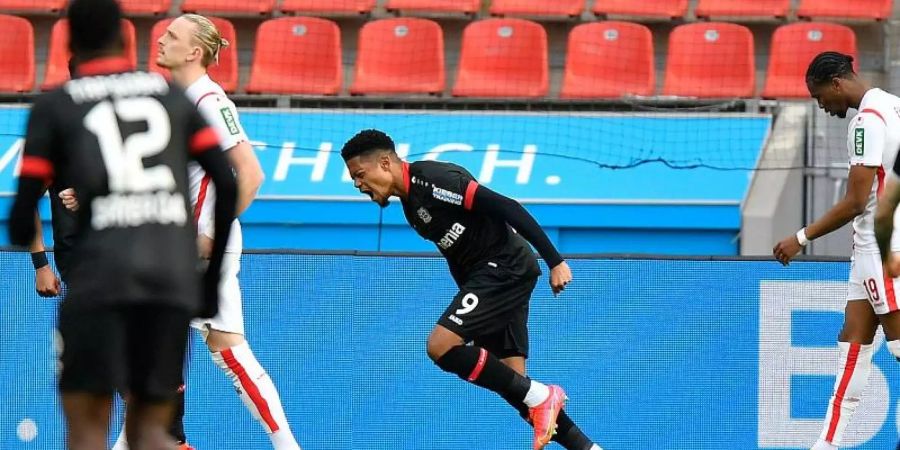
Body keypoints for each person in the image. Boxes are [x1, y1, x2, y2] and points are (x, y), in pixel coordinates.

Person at [7, 0, 236, 448]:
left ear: (71, 41)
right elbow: (227, 181)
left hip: (97, 281)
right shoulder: (170, 97)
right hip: (166, 284)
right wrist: (207, 283)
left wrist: (66, 221)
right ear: (127, 40)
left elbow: (19, 217)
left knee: (88, 428)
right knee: (152, 429)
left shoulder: (55, 109)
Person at [340, 129, 604, 450]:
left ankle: (544, 394)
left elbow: (507, 206)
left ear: (385, 163)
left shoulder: (433, 181)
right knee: (516, 387)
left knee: (440, 346)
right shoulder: (411, 208)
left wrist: (555, 260)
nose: (357, 184)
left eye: (359, 174)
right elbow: (457, 258)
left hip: (504, 268)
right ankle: (588, 448)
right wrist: (474, 310)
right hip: (490, 279)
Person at [110, 12, 300, 450]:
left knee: (224, 350)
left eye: (172, 36)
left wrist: (210, 235)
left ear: (195, 52)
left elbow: (250, 174)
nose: (161, 40)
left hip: (197, 250)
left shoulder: (211, 103)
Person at [773, 51, 900, 450]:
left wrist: (802, 237)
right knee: (853, 345)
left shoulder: (865, 122)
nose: (821, 105)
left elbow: (856, 200)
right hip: (869, 252)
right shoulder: (892, 104)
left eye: (819, 96)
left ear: (837, 83)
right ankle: (827, 443)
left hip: (881, 249)